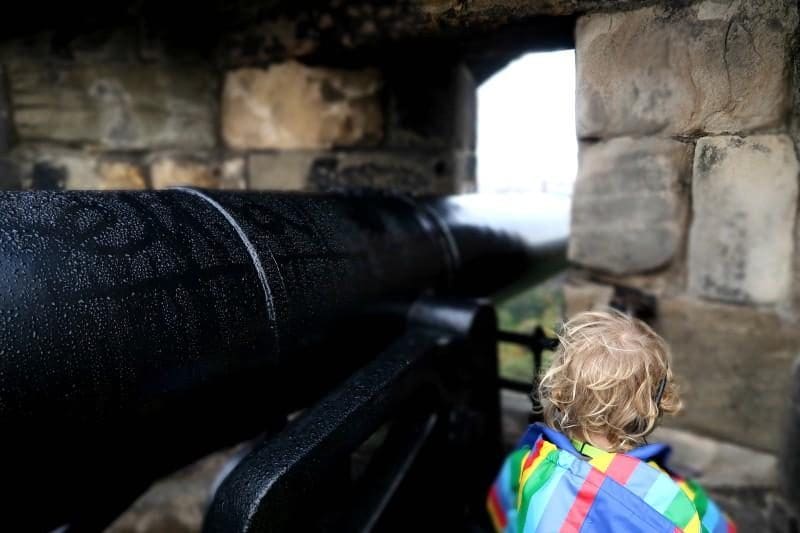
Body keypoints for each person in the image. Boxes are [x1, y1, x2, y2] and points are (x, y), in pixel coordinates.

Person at [487, 310, 735, 532]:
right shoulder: (670, 496)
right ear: (654, 402)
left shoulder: (527, 463)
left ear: (559, 391)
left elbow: (500, 509)